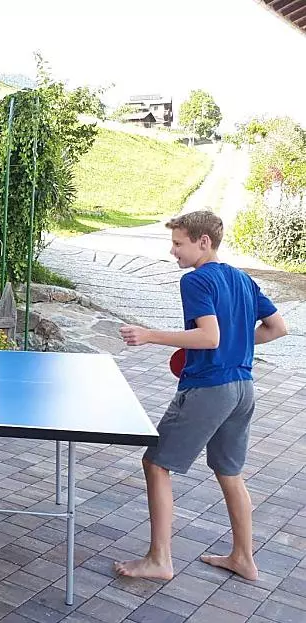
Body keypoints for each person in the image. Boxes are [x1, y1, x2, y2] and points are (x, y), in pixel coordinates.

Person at [113, 210, 287, 582]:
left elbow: (209, 337)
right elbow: (277, 328)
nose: (173, 251)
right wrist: (236, 343)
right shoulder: (242, 279)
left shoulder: (196, 280)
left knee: (156, 463)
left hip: (209, 387)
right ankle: (243, 558)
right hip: (243, 388)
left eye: (179, 243)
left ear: (203, 242)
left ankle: (159, 560)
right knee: (230, 472)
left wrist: (149, 335)